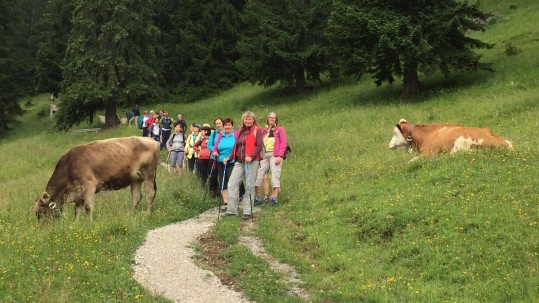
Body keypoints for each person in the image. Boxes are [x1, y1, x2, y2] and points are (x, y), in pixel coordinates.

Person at [224, 111, 263, 220]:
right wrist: (230, 158)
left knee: (249, 186)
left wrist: (251, 156)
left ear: (253, 120)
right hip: (239, 161)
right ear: (243, 120)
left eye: (250, 119)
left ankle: (247, 211)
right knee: (231, 184)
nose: (248, 121)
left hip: (252, 161)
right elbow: (236, 146)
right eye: (246, 119)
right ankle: (232, 210)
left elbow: (259, 146)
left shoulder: (257, 131)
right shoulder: (240, 131)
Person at [255, 112, 288, 206]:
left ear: (276, 119)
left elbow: (283, 143)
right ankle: (258, 198)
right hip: (264, 155)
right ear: (267, 119)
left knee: (275, 175)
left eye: (273, 118)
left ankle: (274, 198)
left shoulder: (279, 129)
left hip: (275, 154)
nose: (271, 119)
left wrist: (280, 156)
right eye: (270, 117)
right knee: (258, 175)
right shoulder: (264, 130)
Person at [212, 118, 236, 211]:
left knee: (233, 183)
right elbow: (215, 148)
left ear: (232, 126)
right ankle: (226, 203)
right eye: (226, 125)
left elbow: (237, 148)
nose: (227, 127)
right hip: (221, 161)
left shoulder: (236, 134)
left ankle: (234, 203)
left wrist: (230, 157)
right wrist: (215, 153)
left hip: (232, 161)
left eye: (229, 125)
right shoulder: (221, 136)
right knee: (223, 182)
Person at [207, 118, 224, 198]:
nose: (218, 125)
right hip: (213, 157)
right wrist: (215, 150)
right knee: (212, 176)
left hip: (224, 157)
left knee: (223, 176)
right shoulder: (214, 133)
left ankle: (224, 194)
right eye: (216, 124)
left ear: (222, 123)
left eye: (219, 123)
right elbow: (209, 145)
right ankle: (213, 193)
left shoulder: (227, 132)